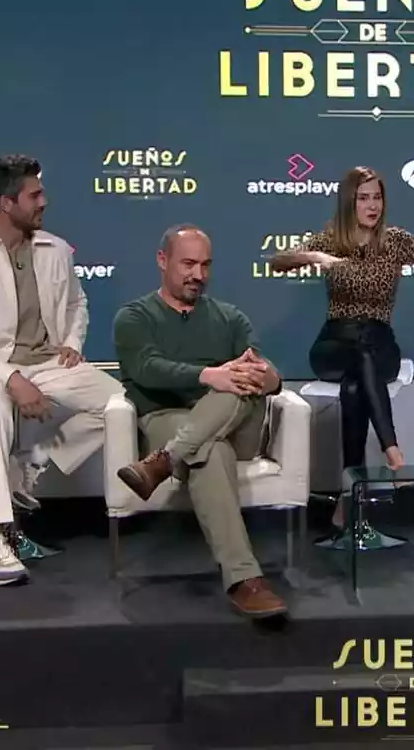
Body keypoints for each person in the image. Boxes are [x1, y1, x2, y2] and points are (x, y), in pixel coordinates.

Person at [0, 154, 124, 586]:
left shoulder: (54, 249)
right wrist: (11, 378)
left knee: (120, 404)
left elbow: (77, 304)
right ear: (7, 203)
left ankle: (32, 466)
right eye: (35, 194)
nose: (45, 201)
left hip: (47, 362)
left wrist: (73, 344)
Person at [269, 165, 414, 534]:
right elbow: (278, 261)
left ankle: (350, 497)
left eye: (378, 197)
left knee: (357, 382)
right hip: (333, 343)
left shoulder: (396, 241)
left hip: (378, 341)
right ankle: (394, 455)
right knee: (357, 360)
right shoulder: (330, 240)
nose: (372, 205)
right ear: (349, 202)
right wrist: (317, 258)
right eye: (364, 198)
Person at [113, 224, 288, 619]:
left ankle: (163, 462)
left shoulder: (230, 317)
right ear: (162, 261)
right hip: (167, 417)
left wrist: (269, 379)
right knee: (208, 451)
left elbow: (259, 370)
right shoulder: (134, 316)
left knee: (238, 383)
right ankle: (245, 580)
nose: (198, 275)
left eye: (205, 265)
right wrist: (210, 375)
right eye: (188, 264)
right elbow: (145, 368)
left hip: (235, 423)